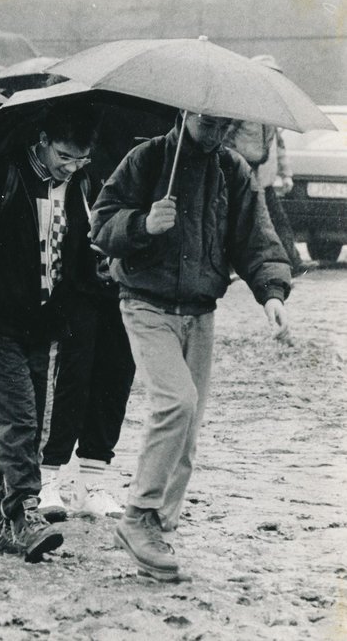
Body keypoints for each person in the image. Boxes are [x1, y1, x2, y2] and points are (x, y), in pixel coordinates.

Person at [91, 111, 292, 581]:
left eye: (227, 125)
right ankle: (138, 516)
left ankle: (158, 528)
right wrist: (142, 224)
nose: (217, 131)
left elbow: (257, 240)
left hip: (200, 312)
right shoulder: (147, 158)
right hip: (146, 304)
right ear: (185, 112)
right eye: (209, 122)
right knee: (176, 403)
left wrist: (273, 294)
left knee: (190, 425)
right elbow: (101, 225)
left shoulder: (234, 170)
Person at [0, 102, 102, 561]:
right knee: (17, 418)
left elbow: (72, 256)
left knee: (30, 420)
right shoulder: (3, 173)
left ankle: (1, 524)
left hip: (41, 323)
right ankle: (25, 511)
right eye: (64, 157)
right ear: (43, 141)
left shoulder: (77, 186)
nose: (71, 167)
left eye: (81, 159)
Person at [37, 245, 136, 521]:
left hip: (126, 283)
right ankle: (45, 477)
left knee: (116, 379)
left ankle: (90, 483)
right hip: (73, 279)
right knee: (70, 377)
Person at [223, 54, 305, 272]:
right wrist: (232, 162)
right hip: (242, 170)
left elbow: (278, 143)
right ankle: (233, 265)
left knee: (273, 219)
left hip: (262, 175)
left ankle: (292, 263)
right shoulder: (242, 103)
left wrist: (286, 173)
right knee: (244, 218)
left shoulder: (270, 106)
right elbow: (226, 136)